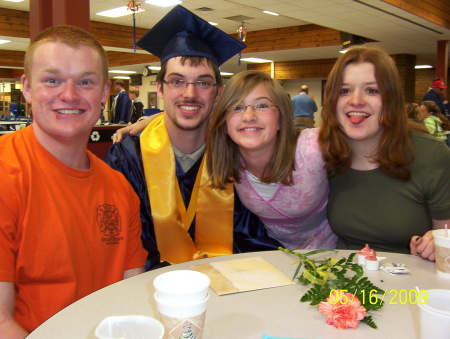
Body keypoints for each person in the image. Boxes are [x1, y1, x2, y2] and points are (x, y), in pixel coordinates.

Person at [105, 5, 282, 271]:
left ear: (218, 93)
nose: (190, 93)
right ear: (161, 88)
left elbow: (250, 236)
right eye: (177, 81)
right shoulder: (127, 157)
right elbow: (121, 245)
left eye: (203, 82)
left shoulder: (235, 153)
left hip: (226, 286)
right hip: (150, 289)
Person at [0, 25, 147, 337]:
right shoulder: (6, 173)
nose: (69, 94)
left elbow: (131, 298)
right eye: (52, 80)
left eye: (85, 82)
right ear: (26, 87)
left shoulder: (119, 189)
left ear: (105, 91)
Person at [318, 46, 450, 260]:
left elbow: (447, 241)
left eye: (372, 90)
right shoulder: (324, 154)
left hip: (412, 286)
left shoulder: (431, 155)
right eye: (344, 91)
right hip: (343, 282)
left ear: (391, 99)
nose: (356, 100)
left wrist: (437, 241)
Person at [205, 71, 337, 250]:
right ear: (225, 124)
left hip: (334, 258)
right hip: (273, 259)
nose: (249, 116)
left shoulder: (314, 146)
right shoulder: (227, 162)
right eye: (237, 107)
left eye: (262, 106)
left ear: (281, 119)